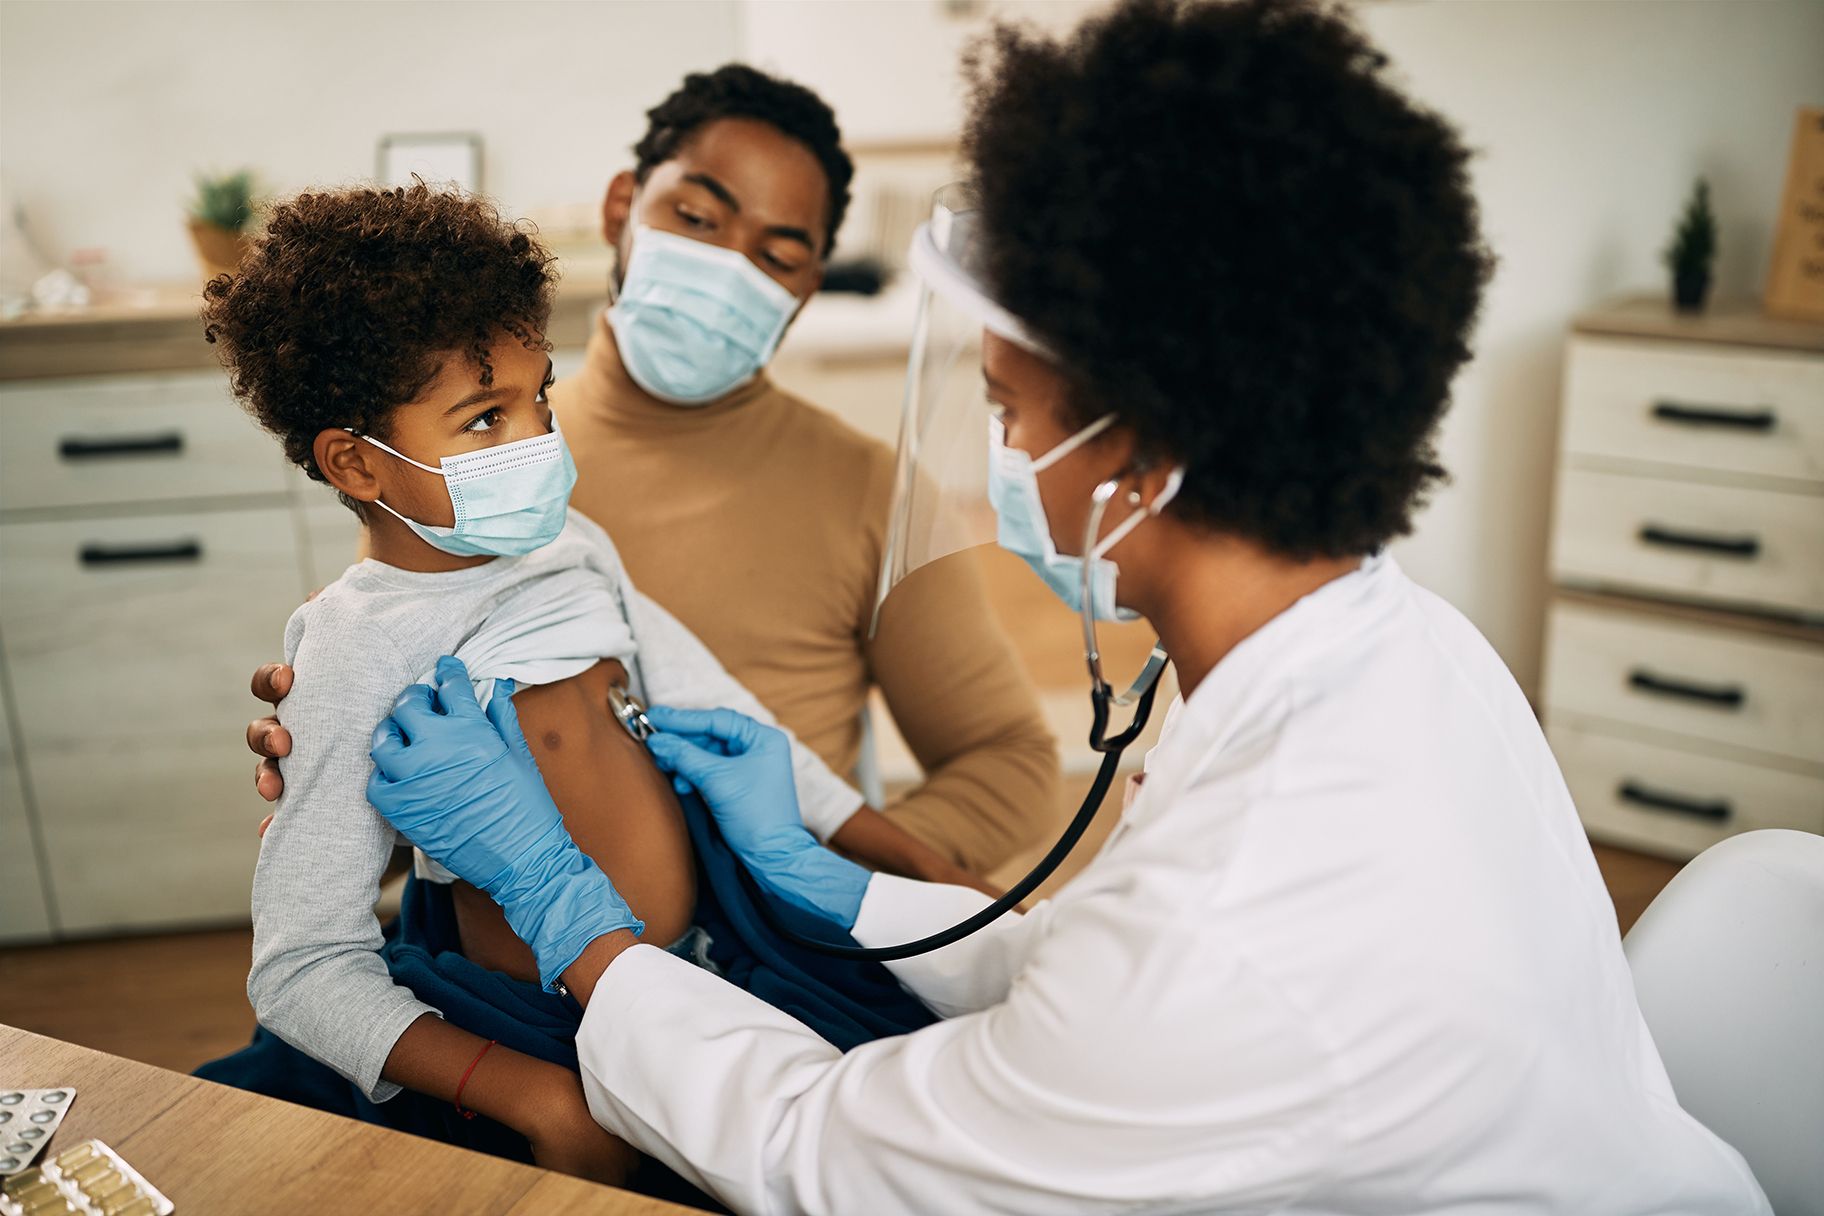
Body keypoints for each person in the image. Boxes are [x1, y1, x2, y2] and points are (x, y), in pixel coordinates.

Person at [356, 1, 1771, 1212]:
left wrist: (573, 920)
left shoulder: (1235, 931)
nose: (999, 459)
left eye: (1006, 409)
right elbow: (1084, 970)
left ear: (1143, 461)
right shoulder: (1408, 650)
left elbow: (820, 1159)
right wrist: (843, 882)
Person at [192, 184, 942, 1192]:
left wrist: (941, 891)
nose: (540, 440)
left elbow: (751, 738)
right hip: (537, 1033)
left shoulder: (575, 547)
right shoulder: (351, 647)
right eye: (485, 417)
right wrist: (531, 1095)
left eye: (541, 397)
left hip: (715, 966)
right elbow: (301, 964)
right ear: (356, 464)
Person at [245, 64, 1059, 883]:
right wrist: (343, 788)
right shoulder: (458, 473)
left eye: (777, 255)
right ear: (621, 207)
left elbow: (1009, 761)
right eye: (697, 217)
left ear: (808, 289)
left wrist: (804, 882)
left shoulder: (870, 487)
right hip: (546, 969)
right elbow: (397, 819)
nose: (726, 268)